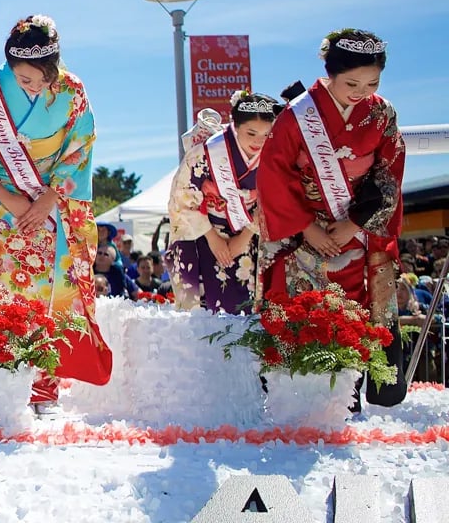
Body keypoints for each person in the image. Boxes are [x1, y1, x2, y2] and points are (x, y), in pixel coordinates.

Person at [0, 14, 111, 411]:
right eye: (25, 80)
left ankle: (44, 388)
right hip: (0, 210)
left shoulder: (73, 91)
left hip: (49, 209)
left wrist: (48, 198)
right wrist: (9, 196)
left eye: (43, 78)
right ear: (9, 67)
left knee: (47, 296)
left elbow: (80, 146)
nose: (36, 86)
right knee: (0, 293)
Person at [257, 28, 406, 406]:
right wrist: (307, 226)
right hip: (305, 232)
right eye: (351, 82)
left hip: (358, 230)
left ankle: (351, 396)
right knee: (306, 313)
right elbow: (274, 175)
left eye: (372, 82)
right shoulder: (296, 117)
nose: (361, 91)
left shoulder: (381, 114)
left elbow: (389, 172)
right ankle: (298, 398)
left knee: (358, 313)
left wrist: (355, 223)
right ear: (330, 73)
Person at [165, 91, 280, 313]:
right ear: (235, 126)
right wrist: (212, 237)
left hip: (247, 237)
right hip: (202, 234)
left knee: (243, 307)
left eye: (266, 135)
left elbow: (272, 201)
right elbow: (183, 197)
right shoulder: (206, 153)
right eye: (251, 133)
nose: (258, 141)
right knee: (200, 307)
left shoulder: (272, 158)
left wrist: (245, 236)